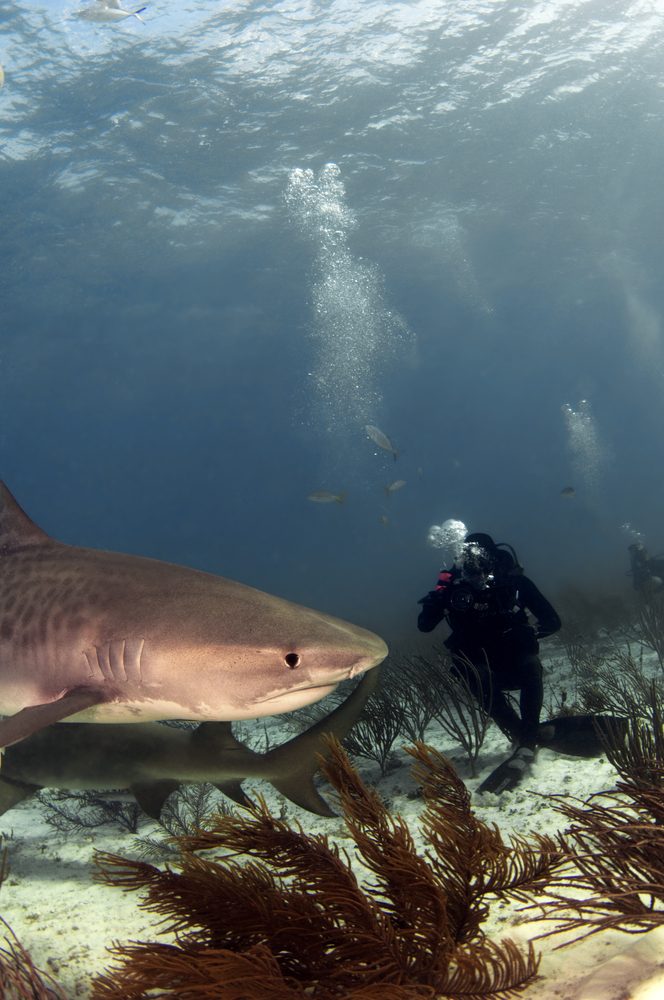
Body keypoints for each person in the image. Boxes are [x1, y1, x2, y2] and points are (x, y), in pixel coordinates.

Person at [417, 532, 561, 776]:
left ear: (494, 559)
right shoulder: (454, 589)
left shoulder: (514, 584)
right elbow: (424, 625)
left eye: (482, 562)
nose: (477, 570)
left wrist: (529, 632)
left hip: (513, 660)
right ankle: (524, 736)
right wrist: (440, 594)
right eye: (469, 562)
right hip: (477, 665)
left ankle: (526, 741)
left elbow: (552, 621)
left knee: (531, 665)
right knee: (478, 675)